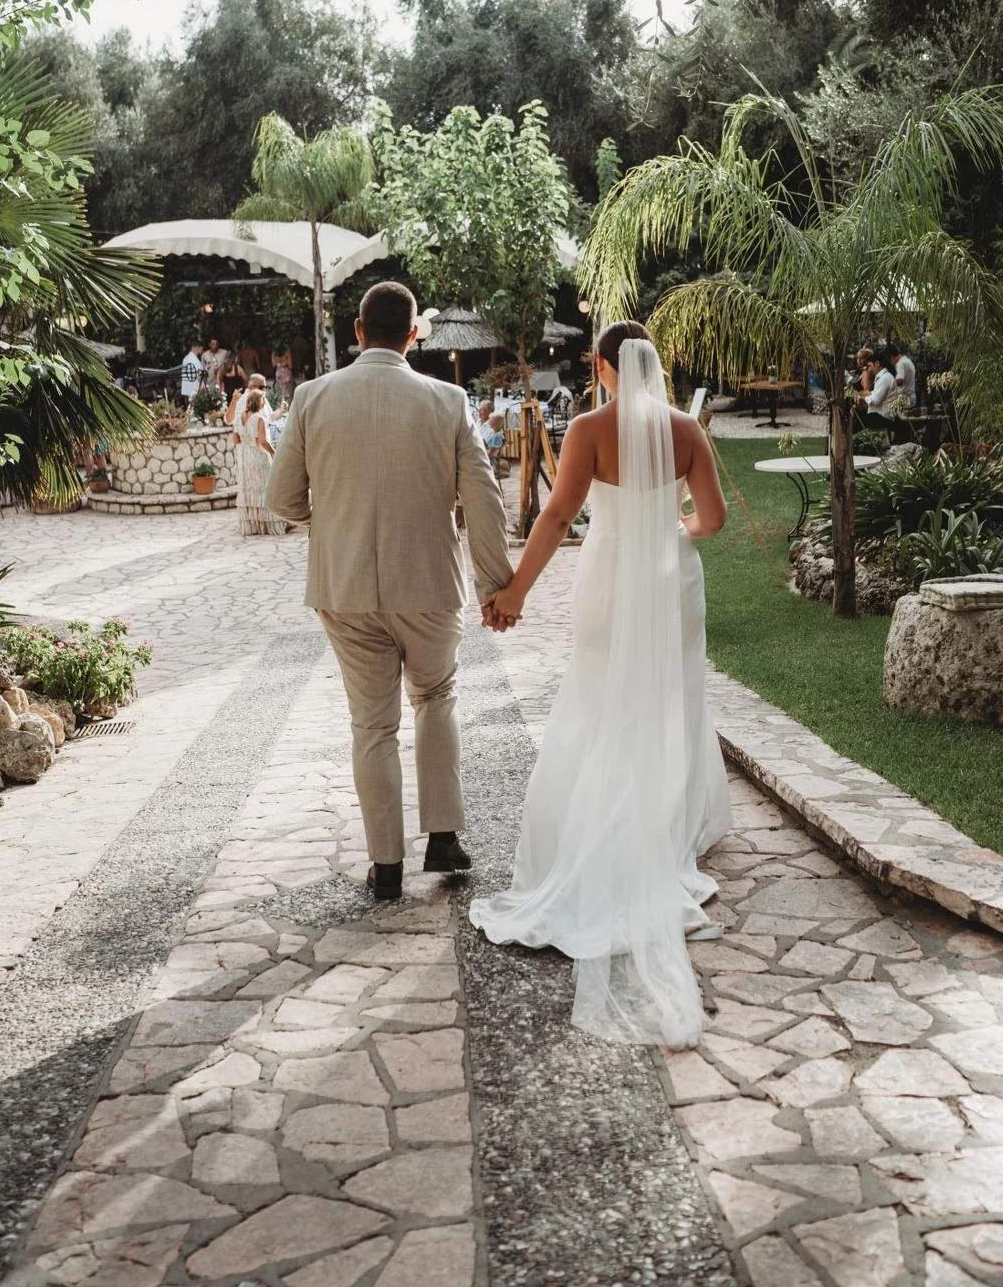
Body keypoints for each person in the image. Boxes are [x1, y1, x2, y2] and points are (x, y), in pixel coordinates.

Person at [469, 321, 733, 1049]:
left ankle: (596, 832)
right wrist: (674, 524)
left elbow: (557, 514)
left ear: (602, 366)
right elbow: (712, 519)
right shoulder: (687, 429)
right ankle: (659, 828)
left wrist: (516, 591)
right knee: (671, 699)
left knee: (594, 697)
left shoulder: (587, 426)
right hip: (669, 579)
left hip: (611, 577)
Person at [265, 280, 514, 903]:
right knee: (436, 697)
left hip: (344, 587)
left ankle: (386, 866)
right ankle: (443, 838)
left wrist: (332, 522)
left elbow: (281, 498)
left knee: (371, 725)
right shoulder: (448, 400)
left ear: (356, 330)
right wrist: (495, 584)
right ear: (412, 335)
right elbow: (483, 500)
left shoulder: (312, 397)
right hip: (429, 582)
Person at [234, 389, 286, 536]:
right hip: (257, 456)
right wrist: (274, 453)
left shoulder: (240, 417)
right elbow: (263, 441)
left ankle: (253, 526)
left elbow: (235, 439)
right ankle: (269, 526)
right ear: (259, 401)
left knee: (250, 489)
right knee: (265, 488)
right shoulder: (259, 418)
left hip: (244, 457)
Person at [888, 342, 917, 408]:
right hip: (910, 397)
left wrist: (887, 384)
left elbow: (900, 380)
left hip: (904, 399)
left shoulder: (900, 364)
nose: (890, 363)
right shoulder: (907, 361)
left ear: (891, 357)